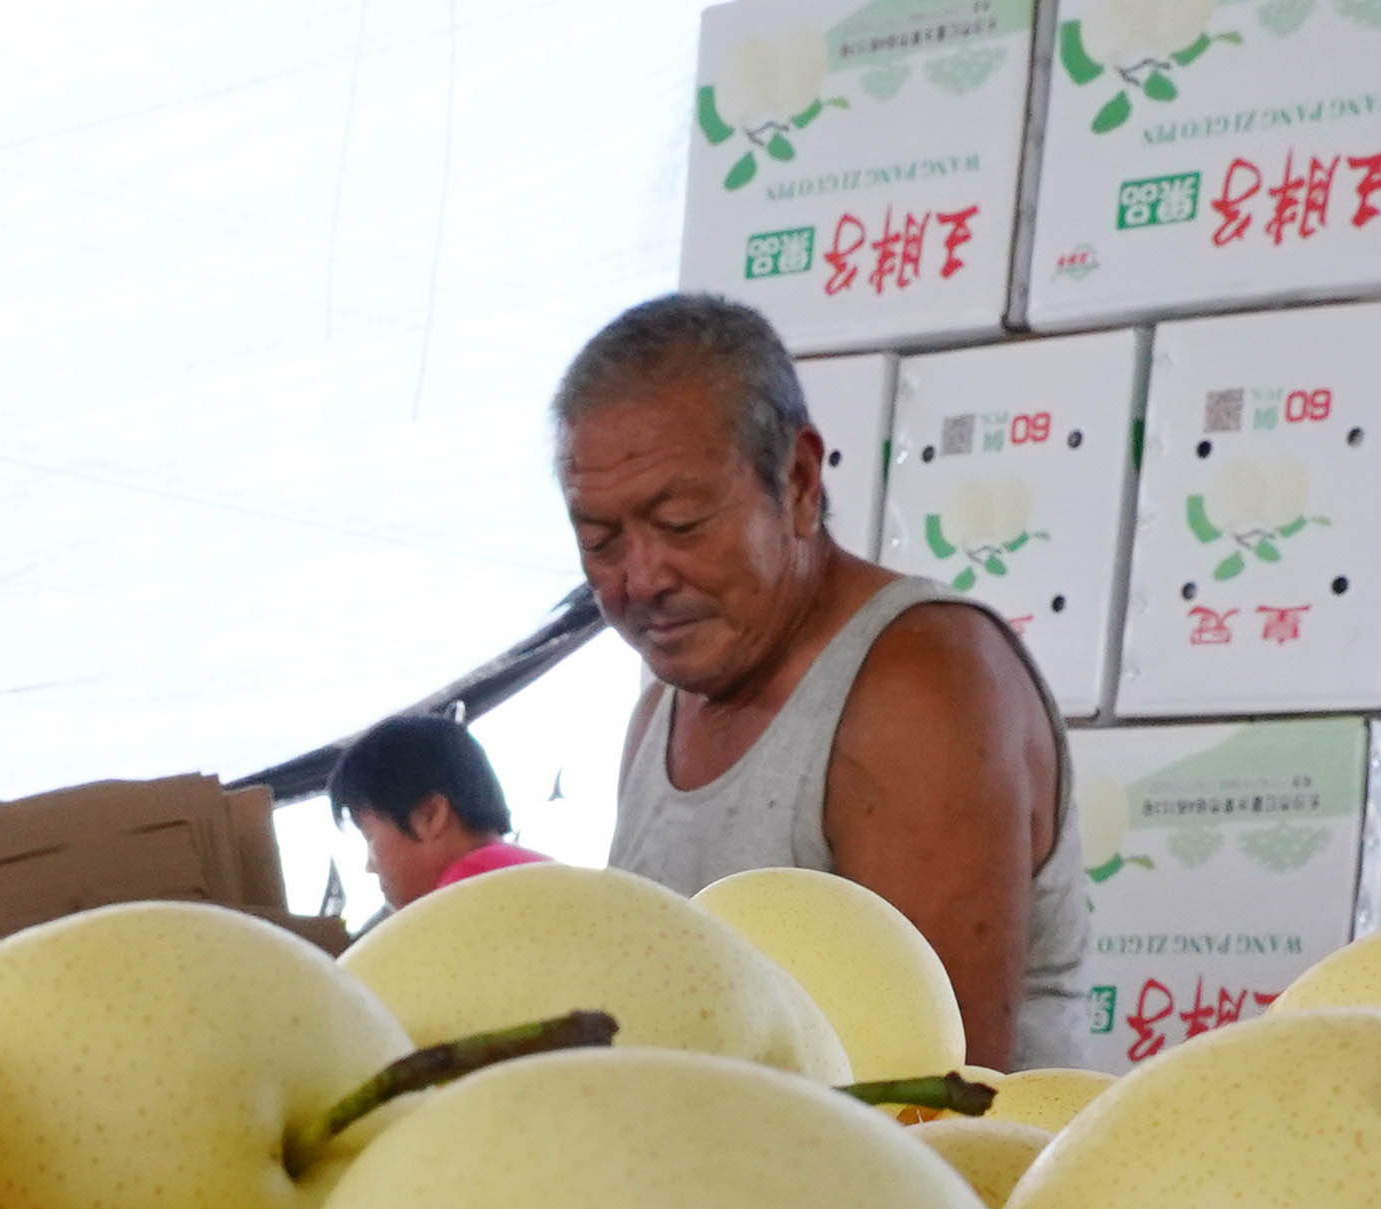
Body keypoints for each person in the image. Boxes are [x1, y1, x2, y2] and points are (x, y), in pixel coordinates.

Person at [554, 293, 1093, 1072]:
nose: (641, 580)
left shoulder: (921, 683)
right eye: (600, 541)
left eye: (681, 525)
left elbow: (928, 1099)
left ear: (799, 481)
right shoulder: (661, 713)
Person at [330, 713, 541, 912]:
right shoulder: (534, 871)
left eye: (369, 836)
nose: (370, 867)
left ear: (429, 815)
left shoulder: (467, 890)